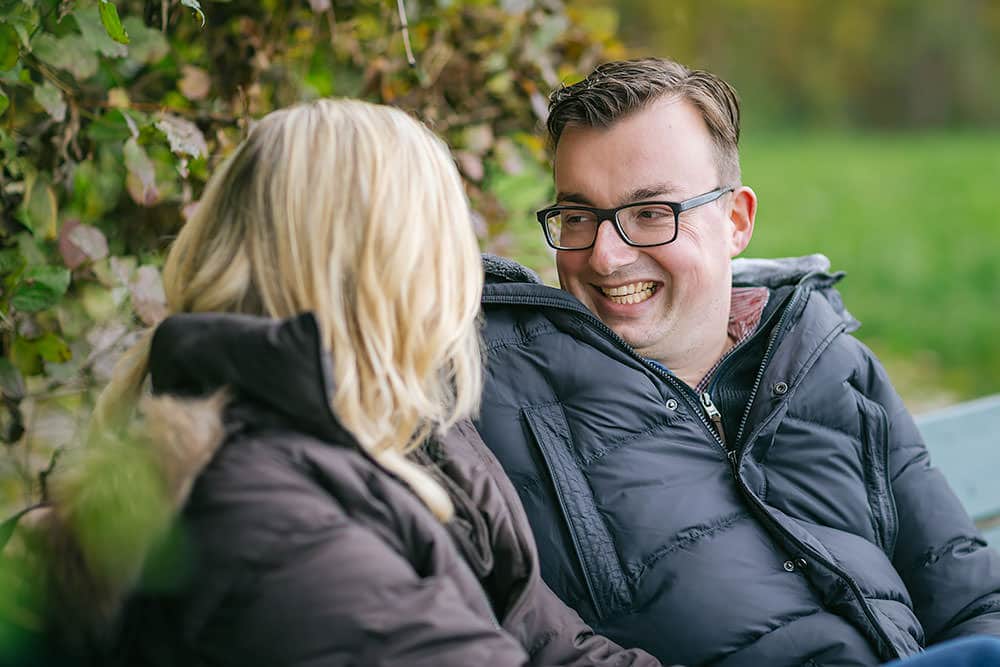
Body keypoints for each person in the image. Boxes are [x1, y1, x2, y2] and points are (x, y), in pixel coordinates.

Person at [10, 99, 660, 666]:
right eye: (442, 242)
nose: (464, 277)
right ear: (391, 273)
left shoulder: (401, 435)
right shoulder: (262, 510)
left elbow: (543, 636)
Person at [475, 57, 1000, 666]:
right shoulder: (499, 400)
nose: (606, 257)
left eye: (651, 213)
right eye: (579, 216)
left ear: (736, 221)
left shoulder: (824, 361)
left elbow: (969, 596)